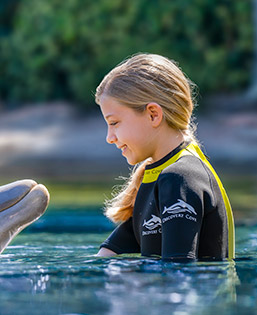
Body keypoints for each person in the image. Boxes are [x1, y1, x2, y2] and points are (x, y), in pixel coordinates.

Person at [95, 53, 234, 261]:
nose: (109, 137)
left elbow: (177, 275)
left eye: (114, 123)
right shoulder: (157, 177)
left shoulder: (180, 177)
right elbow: (105, 257)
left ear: (153, 114)